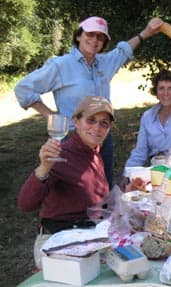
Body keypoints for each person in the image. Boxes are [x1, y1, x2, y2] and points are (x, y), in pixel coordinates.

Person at [14, 15, 166, 188]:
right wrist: (50, 116)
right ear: (79, 35)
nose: (95, 40)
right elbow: (23, 88)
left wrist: (147, 32)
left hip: (103, 137)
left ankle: (107, 214)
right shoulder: (61, 65)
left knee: (104, 185)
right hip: (73, 138)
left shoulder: (104, 62)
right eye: (90, 34)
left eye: (100, 37)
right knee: (78, 189)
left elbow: (123, 51)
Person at [18, 96, 115, 269]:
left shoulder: (94, 151)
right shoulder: (62, 154)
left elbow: (95, 197)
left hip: (87, 235)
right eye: (91, 120)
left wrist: (125, 193)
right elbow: (25, 204)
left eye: (104, 123)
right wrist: (43, 168)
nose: (97, 128)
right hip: (57, 240)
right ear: (76, 122)